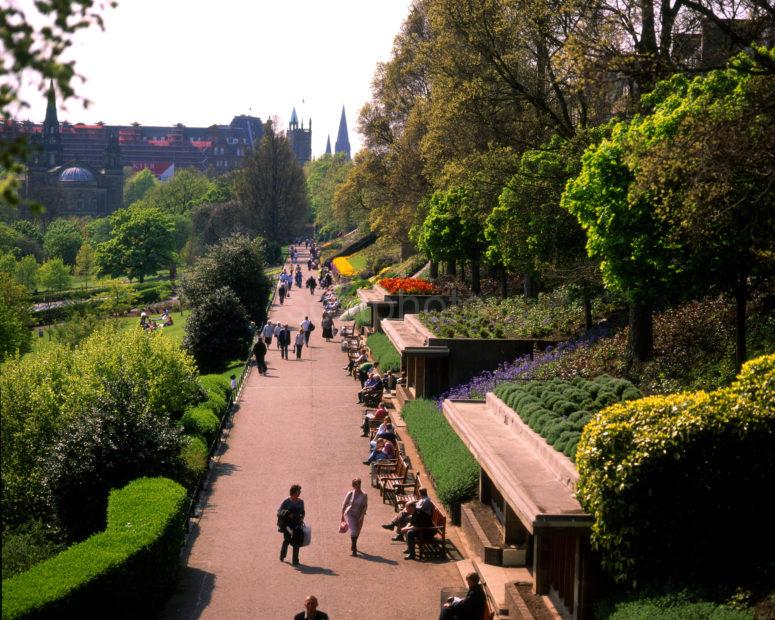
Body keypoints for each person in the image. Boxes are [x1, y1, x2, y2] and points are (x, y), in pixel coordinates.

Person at [278, 484, 305, 566]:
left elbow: (303, 512)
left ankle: (295, 561)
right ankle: (282, 555)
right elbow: (279, 511)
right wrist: (288, 513)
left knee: (297, 542)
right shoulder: (286, 501)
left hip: (297, 525)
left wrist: (302, 517)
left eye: (300, 491)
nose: (300, 493)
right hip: (287, 525)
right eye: (298, 491)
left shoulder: (301, 502)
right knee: (287, 540)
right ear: (293, 492)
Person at [341, 478, 368, 556]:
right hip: (351, 514)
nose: (358, 485)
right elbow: (344, 504)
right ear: (353, 485)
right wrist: (342, 515)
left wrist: (362, 515)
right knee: (353, 530)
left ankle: (353, 544)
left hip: (359, 515)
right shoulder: (350, 493)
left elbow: (365, 506)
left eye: (359, 483)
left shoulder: (364, 495)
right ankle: (354, 548)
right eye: (356, 484)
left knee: (358, 531)